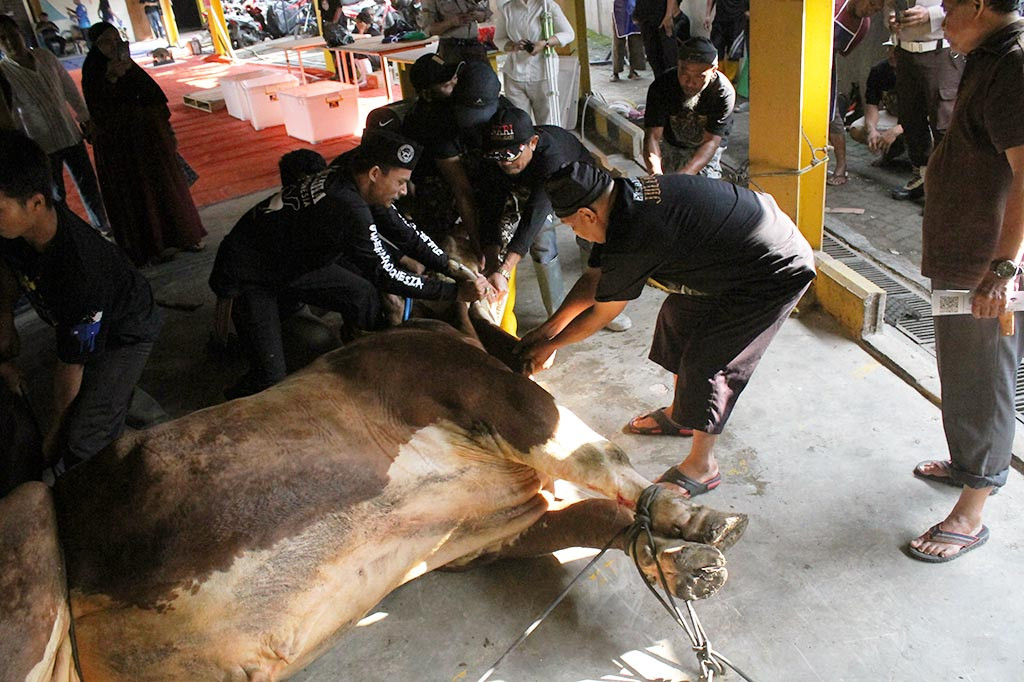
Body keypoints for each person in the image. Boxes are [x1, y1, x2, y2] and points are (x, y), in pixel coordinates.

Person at [518, 162, 815, 498]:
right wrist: (548, 330)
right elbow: (595, 278)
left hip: (774, 269)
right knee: (677, 316)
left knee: (709, 361)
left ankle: (703, 467)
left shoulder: (636, 231)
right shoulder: (618, 201)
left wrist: (553, 345)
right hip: (734, 258)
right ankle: (681, 416)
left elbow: (605, 311)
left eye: (572, 225)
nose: (576, 233)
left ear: (587, 214)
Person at [210, 130, 488, 399]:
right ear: (375, 174)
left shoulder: (353, 176)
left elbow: (405, 233)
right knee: (270, 376)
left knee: (362, 296)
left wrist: (451, 267)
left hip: (296, 261)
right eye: (401, 182)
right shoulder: (346, 206)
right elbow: (385, 274)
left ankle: (367, 365)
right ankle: (225, 407)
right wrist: (452, 292)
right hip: (251, 273)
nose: (404, 191)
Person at [908, 0, 1024, 563]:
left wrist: (1003, 269)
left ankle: (973, 509)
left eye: (947, 6)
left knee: (985, 378)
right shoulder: (985, 56)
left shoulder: (1015, 65)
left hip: (987, 265)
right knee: (961, 368)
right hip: (963, 257)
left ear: (978, 5)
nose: (939, 15)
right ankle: (966, 462)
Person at [0, 130, 163, 474]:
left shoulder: (81, 272)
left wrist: (55, 437)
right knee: (92, 391)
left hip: (126, 328)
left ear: (36, 203)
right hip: (81, 324)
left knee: (83, 441)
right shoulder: (13, 231)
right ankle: (120, 399)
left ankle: (144, 426)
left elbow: (71, 365)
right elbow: (5, 280)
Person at [477, 106, 632, 330]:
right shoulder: (496, 161)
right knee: (541, 243)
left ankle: (603, 306)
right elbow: (491, 208)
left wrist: (505, 269)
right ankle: (560, 315)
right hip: (527, 188)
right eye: (499, 156)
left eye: (511, 155)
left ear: (533, 143)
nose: (505, 162)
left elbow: (536, 212)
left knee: (592, 236)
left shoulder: (552, 156)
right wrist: (493, 264)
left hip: (578, 185)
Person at [81, 22, 206, 267]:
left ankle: (183, 236)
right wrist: (112, 79)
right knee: (137, 197)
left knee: (167, 189)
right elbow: (101, 112)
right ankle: (150, 248)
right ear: (95, 46)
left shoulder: (130, 67)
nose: (113, 45)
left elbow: (154, 97)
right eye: (106, 41)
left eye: (116, 39)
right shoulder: (94, 70)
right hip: (122, 151)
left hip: (150, 142)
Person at [0, 16, 110, 235]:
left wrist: (84, 117)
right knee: (55, 194)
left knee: (88, 183)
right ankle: (66, 234)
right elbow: (11, 115)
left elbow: (69, 88)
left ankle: (102, 225)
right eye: (3, 39)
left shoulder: (45, 57)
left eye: (12, 35)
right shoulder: (4, 72)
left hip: (69, 133)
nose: (10, 42)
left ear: (21, 34)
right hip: (41, 144)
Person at [886, 1, 964, 202]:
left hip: (940, 51)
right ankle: (922, 179)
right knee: (911, 119)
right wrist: (891, 19)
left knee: (943, 124)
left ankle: (944, 191)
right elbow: (889, 4)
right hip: (905, 51)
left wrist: (931, 15)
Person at [642, 36, 735, 178]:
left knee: (703, 190)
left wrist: (685, 175)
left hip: (707, 146)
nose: (690, 83)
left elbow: (711, 141)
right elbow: (653, 137)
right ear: (678, 65)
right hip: (673, 144)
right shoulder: (661, 86)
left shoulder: (723, 93)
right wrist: (655, 174)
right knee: (667, 187)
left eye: (699, 77)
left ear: (714, 71)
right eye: (684, 74)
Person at [828, 0, 884, 186]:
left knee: (832, 117)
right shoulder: (835, 3)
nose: (871, 10)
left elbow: (843, 51)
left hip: (825, 64)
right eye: (871, 4)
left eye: (877, 9)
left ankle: (841, 166)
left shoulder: (862, 26)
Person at [493, 0, 575, 125]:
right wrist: (513, 46)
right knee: (520, 123)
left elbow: (568, 34)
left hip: (544, 73)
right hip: (515, 74)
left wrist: (544, 43)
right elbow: (499, 39)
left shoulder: (548, 6)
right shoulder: (507, 8)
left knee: (548, 124)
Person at [848, 42, 907, 165]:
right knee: (856, 129)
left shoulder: (917, 70)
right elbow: (871, 105)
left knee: (932, 138)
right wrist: (872, 130)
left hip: (919, 119)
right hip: (892, 115)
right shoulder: (879, 70)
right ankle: (890, 151)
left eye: (895, 50)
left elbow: (926, 113)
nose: (891, 54)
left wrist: (896, 130)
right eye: (889, 49)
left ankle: (922, 166)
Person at [419, 0, 491, 63]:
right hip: (451, 49)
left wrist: (478, 15)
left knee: (488, 77)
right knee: (455, 77)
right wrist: (451, 23)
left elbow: (488, 14)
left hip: (474, 46)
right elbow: (428, 30)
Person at [633, 0, 680, 78]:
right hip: (645, 17)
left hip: (661, 17)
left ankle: (672, 86)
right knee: (652, 56)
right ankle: (659, 84)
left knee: (668, 57)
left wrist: (668, 15)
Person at [612, 0, 646, 81]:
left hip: (635, 6)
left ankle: (633, 71)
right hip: (620, 7)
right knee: (618, 41)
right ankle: (615, 72)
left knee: (636, 41)